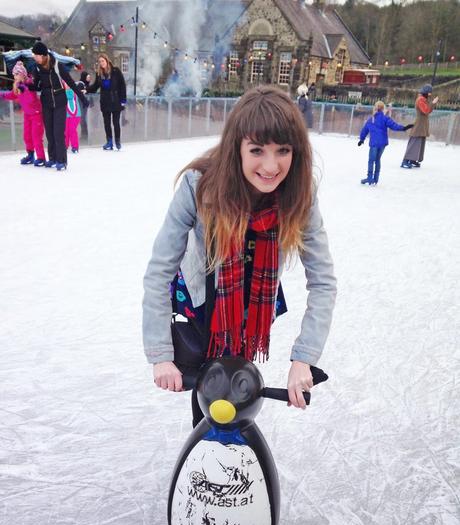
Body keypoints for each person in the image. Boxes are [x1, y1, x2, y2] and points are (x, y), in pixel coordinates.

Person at [142, 86, 337, 427]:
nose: (271, 165)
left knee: (239, 389)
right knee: (210, 390)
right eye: (257, 150)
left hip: (255, 306)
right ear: (238, 147)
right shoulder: (198, 186)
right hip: (204, 301)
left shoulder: (300, 194)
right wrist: (160, 355)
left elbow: (323, 280)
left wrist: (304, 358)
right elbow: (160, 270)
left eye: (283, 151)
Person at [30, 41, 88, 171]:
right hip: (46, 102)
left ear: (43, 55)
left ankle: (61, 160)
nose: (34, 57)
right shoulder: (37, 68)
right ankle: (52, 158)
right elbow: (36, 85)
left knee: (58, 132)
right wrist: (26, 84)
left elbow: (71, 83)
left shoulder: (57, 66)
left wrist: (82, 98)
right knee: (50, 133)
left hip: (60, 101)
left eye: (36, 55)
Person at [0, 60, 46, 167]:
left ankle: (41, 158)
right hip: (27, 115)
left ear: (22, 74)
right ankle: (30, 155)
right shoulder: (18, 86)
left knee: (36, 136)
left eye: (17, 74)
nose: (15, 76)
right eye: (14, 74)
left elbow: (31, 94)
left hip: (36, 114)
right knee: (27, 136)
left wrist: (22, 87)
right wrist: (1, 94)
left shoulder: (29, 83)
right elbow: (11, 95)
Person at [358, 100, 413, 185]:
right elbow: (394, 126)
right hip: (382, 143)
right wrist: (404, 128)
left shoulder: (371, 119)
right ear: (383, 108)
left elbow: (364, 130)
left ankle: (369, 178)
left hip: (374, 144)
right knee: (377, 160)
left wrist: (361, 139)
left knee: (371, 160)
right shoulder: (385, 118)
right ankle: (376, 178)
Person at [86, 53, 126, 151]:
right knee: (106, 123)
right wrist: (86, 90)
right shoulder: (99, 73)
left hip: (115, 101)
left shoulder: (116, 71)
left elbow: (122, 85)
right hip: (105, 102)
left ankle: (117, 141)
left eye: (103, 61)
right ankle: (109, 142)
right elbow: (95, 86)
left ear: (107, 61)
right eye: (100, 62)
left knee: (116, 122)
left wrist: (123, 100)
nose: (101, 63)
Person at [401, 84, 438, 169]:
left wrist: (431, 103)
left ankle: (413, 159)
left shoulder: (424, 99)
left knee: (420, 143)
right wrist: (433, 103)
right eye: (429, 93)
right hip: (419, 125)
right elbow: (426, 110)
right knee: (414, 142)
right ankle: (406, 160)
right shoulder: (420, 100)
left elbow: (427, 109)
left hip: (423, 125)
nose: (430, 95)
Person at [64, 82, 81, 153]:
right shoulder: (63, 92)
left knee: (72, 130)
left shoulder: (72, 91)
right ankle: (65, 145)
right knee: (66, 131)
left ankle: (75, 146)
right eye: (65, 84)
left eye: (68, 84)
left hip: (75, 115)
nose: (67, 85)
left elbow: (69, 96)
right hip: (66, 115)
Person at [76, 70, 91, 141]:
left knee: (84, 120)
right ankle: (84, 135)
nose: (89, 79)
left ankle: (85, 135)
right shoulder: (81, 84)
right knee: (83, 120)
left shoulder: (86, 84)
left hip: (85, 106)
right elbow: (80, 94)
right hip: (82, 105)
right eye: (88, 77)